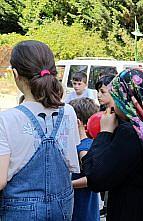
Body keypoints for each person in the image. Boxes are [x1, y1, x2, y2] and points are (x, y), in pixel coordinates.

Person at [82, 69, 143, 221]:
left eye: (117, 98)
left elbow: (96, 177)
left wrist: (105, 133)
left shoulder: (131, 134)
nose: (114, 106)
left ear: (129, 100)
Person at [0, 40, 80, 220]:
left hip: (20, 209)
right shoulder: (68, 112)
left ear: (15, 74)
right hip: (63, 206)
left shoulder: (6, 120)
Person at [69, 97, 100, 221]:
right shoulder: (90, 143)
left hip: (81, 210)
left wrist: (68, 185)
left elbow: (92, 177)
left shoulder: (83, 148)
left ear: (77, 122)